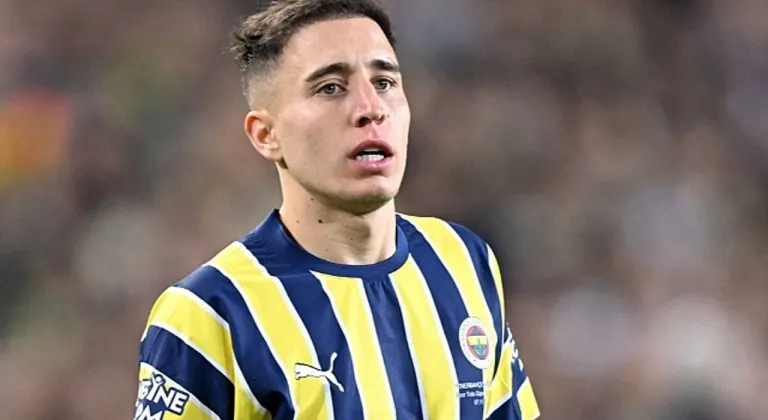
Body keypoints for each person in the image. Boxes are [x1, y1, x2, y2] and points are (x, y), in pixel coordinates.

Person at [133, 0, 540, 419]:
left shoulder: (463, 261)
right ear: (266, 135)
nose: (371, 108)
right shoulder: (210, 312)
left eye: (384, 82)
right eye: (330, 88)